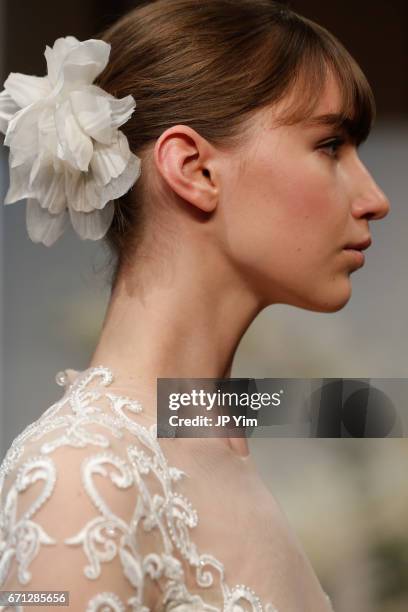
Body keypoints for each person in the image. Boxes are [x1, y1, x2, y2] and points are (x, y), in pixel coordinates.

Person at [0, 0, 390, 610]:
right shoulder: (84, 474)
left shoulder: (208, 436)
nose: (375, 199)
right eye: (331, 145)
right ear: (194, 169)